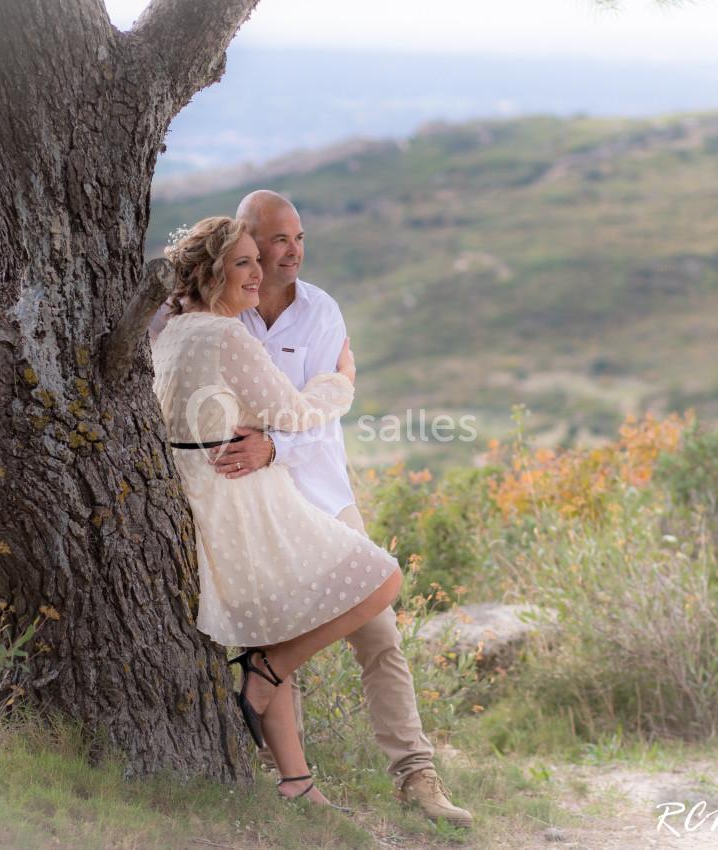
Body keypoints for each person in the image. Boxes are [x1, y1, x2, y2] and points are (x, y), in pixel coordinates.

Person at [191, 190, 474, 828]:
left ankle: (417, 776)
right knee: (273, 628)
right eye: (278, 240)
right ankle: (295, 785)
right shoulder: (218, 315)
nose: (292, 251)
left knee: (379, 632)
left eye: (299, 238)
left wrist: (274, 443)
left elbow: (323, 413)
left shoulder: (321, 312)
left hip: (321, 493)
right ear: (247, 246)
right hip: (251, 503)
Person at [151, 216, 403, 809]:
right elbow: (290, 412)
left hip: (197, 494)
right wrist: (340, 383)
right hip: (240, 499)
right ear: (212, 270)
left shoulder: (169, 332)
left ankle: (298, 785)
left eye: (257, 262)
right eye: (244, 263)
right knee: (382, 578)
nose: (258, 274)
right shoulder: (225, 335)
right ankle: (262, 674)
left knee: (279, 627)